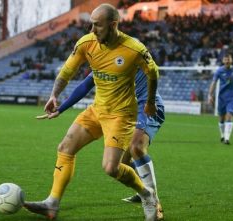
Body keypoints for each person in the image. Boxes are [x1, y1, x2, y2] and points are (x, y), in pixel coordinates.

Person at [24, 3, 159, 221]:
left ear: (113, 25)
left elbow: (153, 72)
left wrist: (150, 101)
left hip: (121, 115)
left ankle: (147, 194)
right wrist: (54, 95)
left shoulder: (134, 49)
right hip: (97, 110)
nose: (92, 30)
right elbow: (67, 71)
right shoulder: (87, 43)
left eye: (97, 25)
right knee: (65, 147)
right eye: (91, 24)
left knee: (111, 168)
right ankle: (52, 203)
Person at [44, 69, 165, 220]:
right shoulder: (103, 57)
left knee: (136, 147)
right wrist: (60, 108)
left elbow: (150, 84)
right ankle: (143, 191)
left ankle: (154, 201)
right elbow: (86, 84)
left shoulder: (132, 54)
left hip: (147, 106)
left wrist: (140, 123)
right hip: (123, 110)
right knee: (122, 163)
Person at [208, 54, 233, 145]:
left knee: (229, 115)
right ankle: (222, 135)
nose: (227, 61)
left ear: (231, 60)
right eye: (225, 60)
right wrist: (209, 95)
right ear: (223, 61)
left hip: (232, 97)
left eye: (228, 59)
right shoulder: (219, 71)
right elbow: (213, 83)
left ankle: (227, 138)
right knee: (221, 118)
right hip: (221, 97)